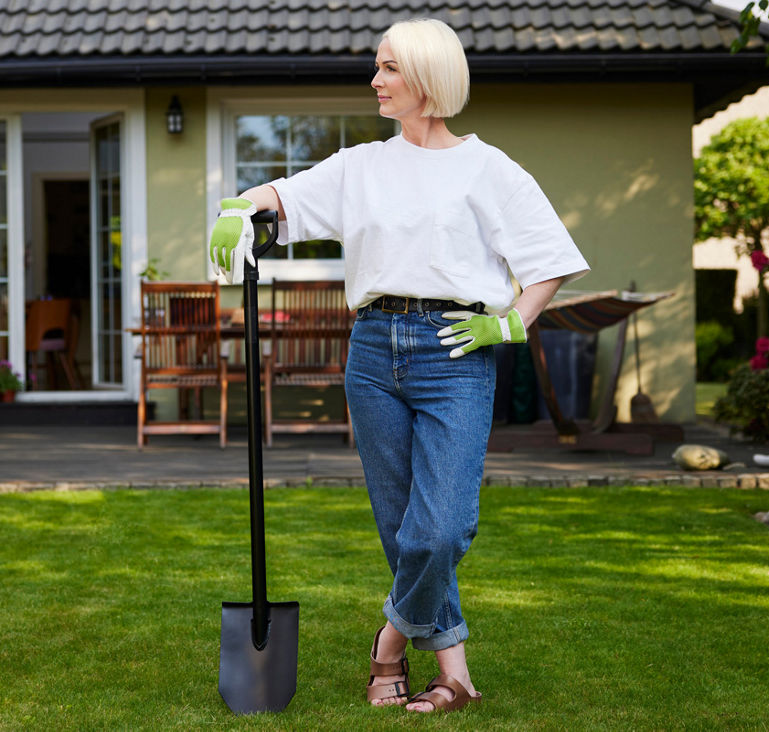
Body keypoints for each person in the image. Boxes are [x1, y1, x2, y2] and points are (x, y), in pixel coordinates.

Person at [209, 18, 590, 713]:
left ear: (427, 78)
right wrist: (240, 206)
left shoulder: (488, 167)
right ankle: (456, 675)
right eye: (376, 68)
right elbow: (285, 197)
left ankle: (389, 645)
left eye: (388, 68)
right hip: (374, 350)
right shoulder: (361, 166)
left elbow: (549, 261)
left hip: (454, 350)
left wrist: (510, 320)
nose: (375, 80)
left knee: (440, 527)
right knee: (399, 523)